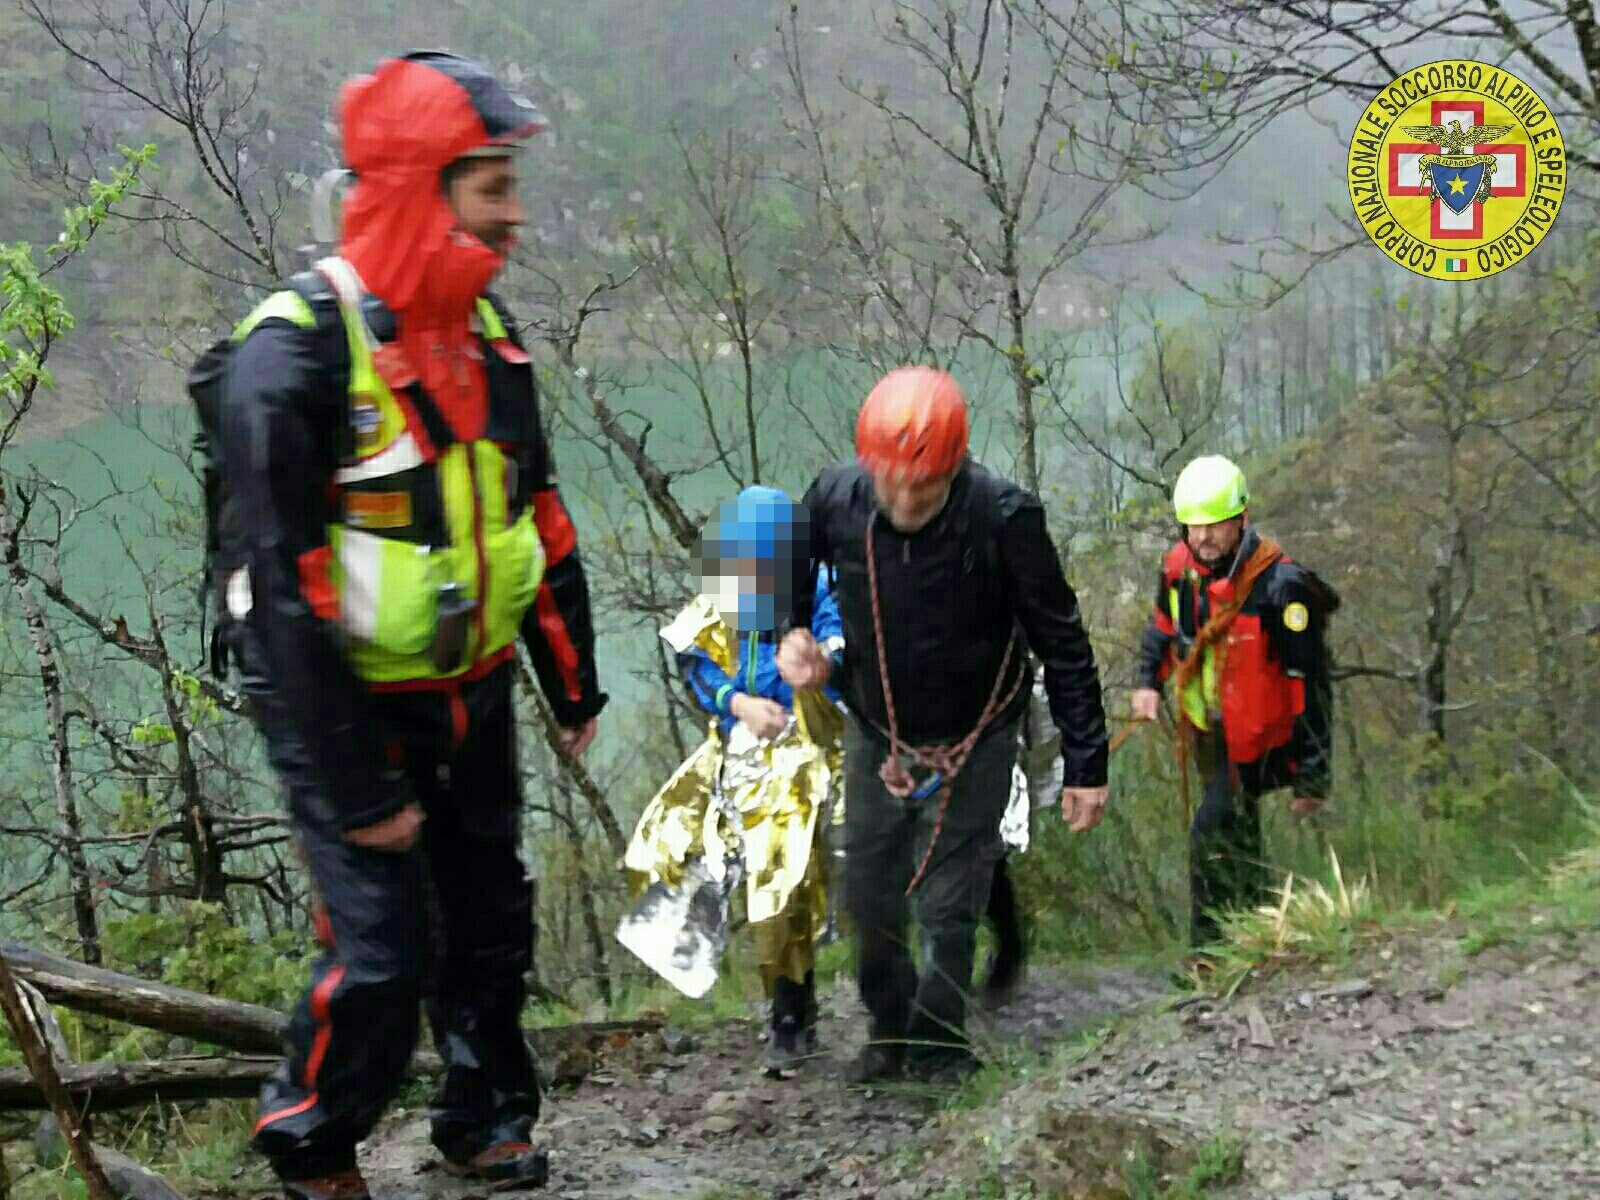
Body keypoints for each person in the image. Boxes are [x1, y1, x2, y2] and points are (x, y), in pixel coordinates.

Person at [207, 52, 607, 1200]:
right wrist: (357, 785)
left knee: (491, 920)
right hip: (346, 705)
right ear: (421, 188)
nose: (516, 214)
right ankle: (313, 1144)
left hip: (471, 692)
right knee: (382, 954)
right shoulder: (290, 354)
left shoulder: (485, 333)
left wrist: (570, 685)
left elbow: (537, 513)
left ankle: (482, 1117)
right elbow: (273, 596)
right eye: (492, 187)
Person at [777, 365, 1110, 1084]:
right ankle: (890, 1027)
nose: (903, 500)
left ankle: (938, 1043)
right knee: (869, 888)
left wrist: (1088, 763)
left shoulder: (1003, 517)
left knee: (950, 898)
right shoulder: (839, 496)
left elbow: (1063, 639)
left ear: (953, 469)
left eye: (922, 488)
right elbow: (793, 555)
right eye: (890, 482)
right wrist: (791, 628)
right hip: (877, 725)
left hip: (978, 734)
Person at [619, 486, 846, 1078]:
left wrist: (813, 674)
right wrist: (738, 701)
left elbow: (841, 660)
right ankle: (704, 967)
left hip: (802, 758)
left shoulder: (817, 597)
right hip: (735, 750)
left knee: (781, 883)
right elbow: (695, 663)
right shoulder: (725, 593)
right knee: (663, 847)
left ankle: (790, 1015)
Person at [1130, 455, 1337, 949]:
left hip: (1264, 742)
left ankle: (1206, 952)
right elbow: (1164, 630)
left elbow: (1310, 685)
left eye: (1215, 524)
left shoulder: (1282, 589)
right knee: (1238, 835)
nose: (1202, 537)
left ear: (1241, 520)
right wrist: (1146, 683)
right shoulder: (1181, 570)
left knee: (1208, 831)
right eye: (1193, 525)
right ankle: (1259, 931)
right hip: (1211, 733)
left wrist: (1313, 775)